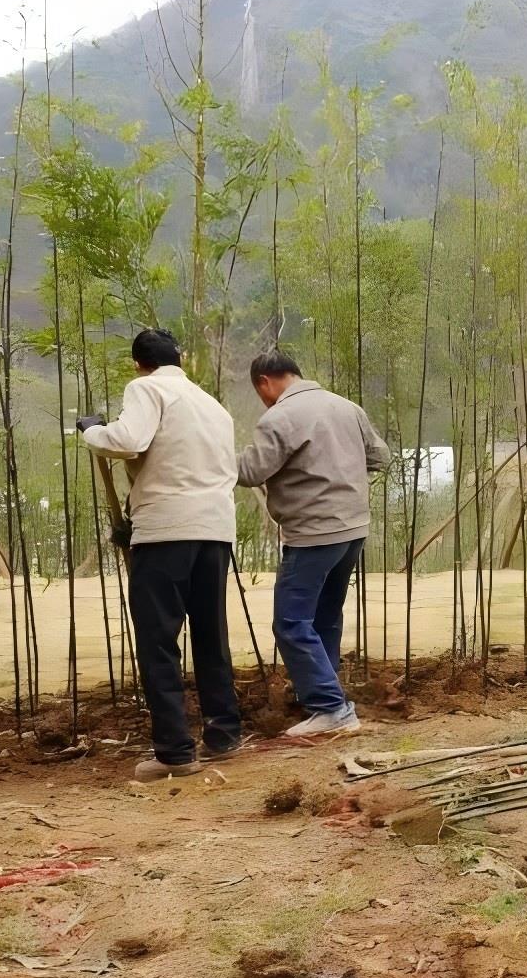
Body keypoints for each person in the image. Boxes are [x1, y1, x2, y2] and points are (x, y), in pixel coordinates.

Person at [77, 329, 243, 780]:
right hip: (215, 530)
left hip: (167, 530)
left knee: (157, 642)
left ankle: (174, 751)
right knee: (211, 634)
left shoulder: (145, 388)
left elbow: (128, 440)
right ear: (181, 358)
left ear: (137, 363)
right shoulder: (213, 405)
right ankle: (224, 734)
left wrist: (93, 430)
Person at [236, 350, 392, 738]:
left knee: (290, 622)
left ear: (264, 383)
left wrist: (209, 459)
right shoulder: (346, 407)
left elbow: (252, 471)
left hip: (312, 534)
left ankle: (330, 707)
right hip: (353, 529)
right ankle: (325, 693)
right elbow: (381, 456)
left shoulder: (279, 417)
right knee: (325, 616)